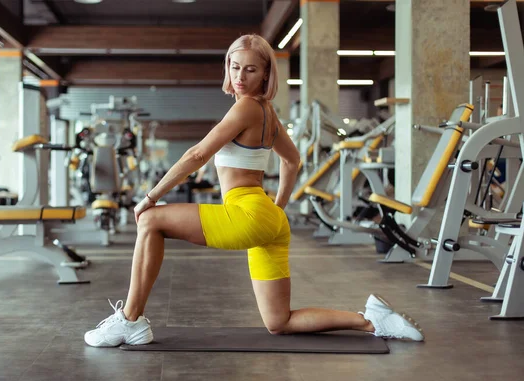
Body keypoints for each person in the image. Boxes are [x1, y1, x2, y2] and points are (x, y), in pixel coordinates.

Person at [84, 34, 425, 347]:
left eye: (250, 69)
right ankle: (370, 321)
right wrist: (277, 209)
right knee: (279, 322)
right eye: (234, 67)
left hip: (246, 214)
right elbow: (292, 163)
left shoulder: (246, 107)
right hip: (269, 221)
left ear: (265, 74)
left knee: (150, 221)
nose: (240, 76)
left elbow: (197, 154)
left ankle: (130, 320)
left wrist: (150, 197)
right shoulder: (268, 115)